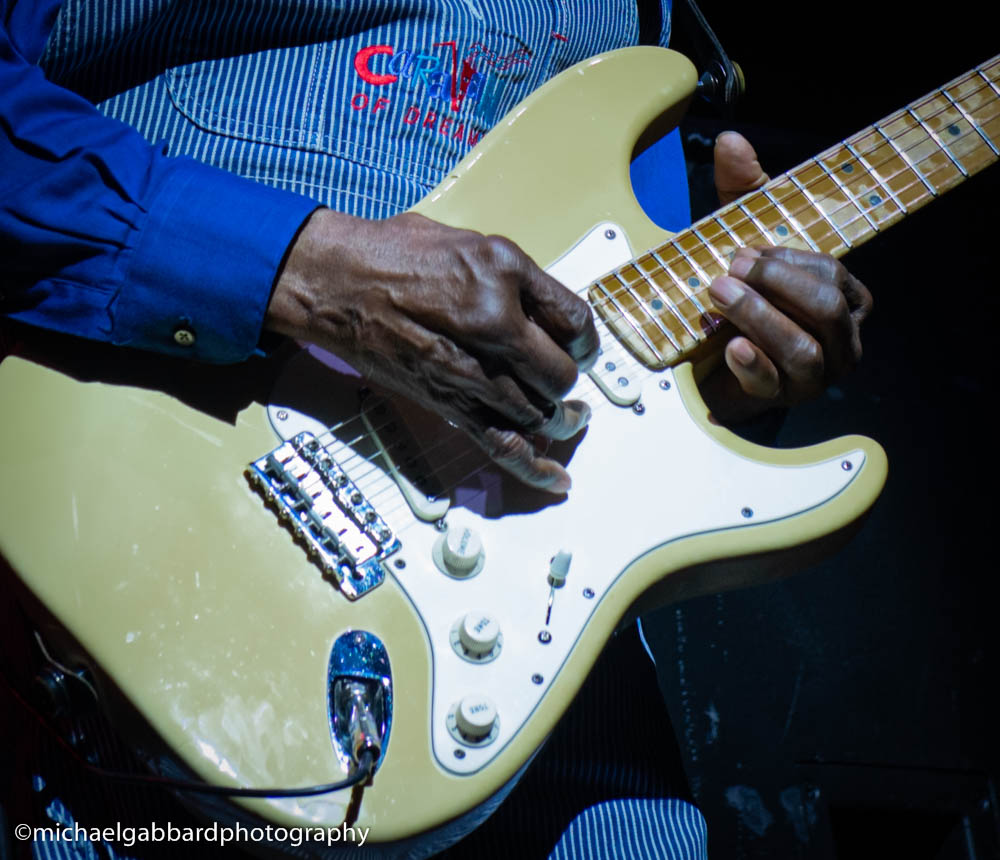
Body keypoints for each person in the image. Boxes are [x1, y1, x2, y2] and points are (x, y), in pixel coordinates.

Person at [1, 1, 871, 857]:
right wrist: (298, 268)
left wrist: (732, 366)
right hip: (136, 584)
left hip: (547, 697)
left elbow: (613, 341)